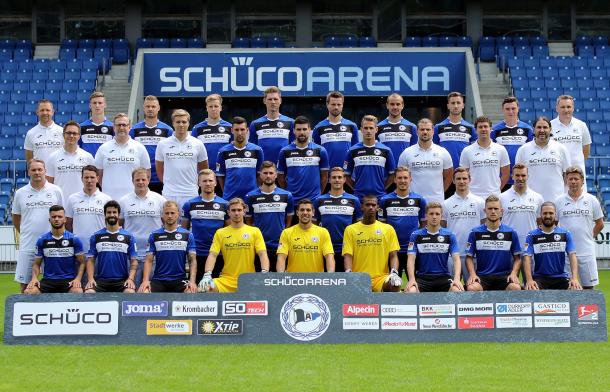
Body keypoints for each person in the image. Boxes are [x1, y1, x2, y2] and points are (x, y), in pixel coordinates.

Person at [12, 159, 64, 292]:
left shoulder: (56, 190)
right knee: (25, 285)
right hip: (28, 245)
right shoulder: (20, 193)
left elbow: (62, 215)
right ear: (28, 171)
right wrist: (26, 232)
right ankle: (24, 311)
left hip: (52, 245)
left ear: (45, 171)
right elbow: (16, 218)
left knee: (54, 284)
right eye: (33, 170)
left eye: (40, 169)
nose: (37, 172)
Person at [198, 198, 269, 293]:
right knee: (204, 288)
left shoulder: (254, 231)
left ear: (244, 212)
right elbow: (212, 255)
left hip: (248, 279)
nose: (236, 213)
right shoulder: (220, 233)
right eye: (233, 210)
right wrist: (207, 274)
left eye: (239, 210)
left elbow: (262, 253)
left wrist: (264, 272)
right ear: (228, 212)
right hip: (226, 280)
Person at [555, 166, 604, 289]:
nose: (573, 181)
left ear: (582, 181)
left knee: (589, 289)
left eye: (576, 179)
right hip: (566, 254)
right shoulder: (558, 201)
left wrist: (588, 235)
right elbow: (554, 225)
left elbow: (600, 224)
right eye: (570, 179)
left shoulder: (592, 200)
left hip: (587, 252)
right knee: (568, 288)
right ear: (566, 181)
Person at [342, 195, 402, 292]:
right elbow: (348, 255)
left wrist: (394, 273)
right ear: (362, 207)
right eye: (368, 205)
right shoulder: (350, 230)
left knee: (394, 285)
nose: (371, 207)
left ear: (377, 207)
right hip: (359, 278)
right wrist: (349, 273)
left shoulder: (388, 229)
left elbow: (393, 255)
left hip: (381, 278)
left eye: (373, 205)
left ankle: (387, 307)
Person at [118, 168, 166, 286]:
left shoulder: (159, 199)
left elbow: (166, 223)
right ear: (132, 181)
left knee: (150, 289)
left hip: (153, 254)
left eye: (143, 179)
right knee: (131, 288)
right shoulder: (124, 201)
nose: (140, 182)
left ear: (148, 180)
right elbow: (120, 225)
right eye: (137, 179)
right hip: (131, 254)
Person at [138, 201, 197, 293]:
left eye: (172, 213)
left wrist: (192, 282)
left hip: (180, 280)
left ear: (178, 214)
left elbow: (192, 260)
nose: (169, 216)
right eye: (167, 213)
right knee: (143, 292)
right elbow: (149, 260)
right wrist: (145, 281)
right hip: (159, 280)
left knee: (191, 292)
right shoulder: (154, 235)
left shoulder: (188, 235)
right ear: (162, 215)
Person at [465, 196, 522, 291]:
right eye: (490, 208)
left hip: (504, 276)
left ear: (501, 211)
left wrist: (513, 273)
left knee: (515, 288)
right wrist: (472, 274)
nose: (493, 211)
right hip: (483, 276)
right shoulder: (475, 232)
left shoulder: (511, 232)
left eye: (496, 209)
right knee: (472, 288)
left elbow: (518, 258)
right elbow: (469, 258)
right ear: (485, 210)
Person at [24, 205, 85, 294]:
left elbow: (82, 262)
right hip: (48, 280)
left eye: (59, 217)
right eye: (53, 217)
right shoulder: (42, 240)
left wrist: (78, 279)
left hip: (68, 280)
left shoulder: (74, 239)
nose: (56, 219)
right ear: (49, 220)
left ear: (65, 219)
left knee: (77, 291)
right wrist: (34, 278)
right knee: (29, 291)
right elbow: (36, 264)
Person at [245, 161, 294, 272]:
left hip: (280, 245)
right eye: (265, 173)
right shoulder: (250, 196)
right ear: (260, 175)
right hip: (259, 245)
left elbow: (289, 220)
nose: (268, 176)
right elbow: (249, 221)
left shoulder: (287, 195)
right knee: (260, 280)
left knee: (279, 280)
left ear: (276, 175)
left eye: (271, 173)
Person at [405, 202, 464, 293]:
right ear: (426, 216)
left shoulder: (450, 235)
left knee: (457, 291)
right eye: (431, 214)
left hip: (443, 277)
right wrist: (412, 279)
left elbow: (456, 259)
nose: (434, 216)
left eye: (437, 214)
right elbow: (411, 259)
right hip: (423, 278)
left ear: (441, 216)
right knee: (410, 291)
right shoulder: (416, 235)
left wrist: (456, 279)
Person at [182, 169, 228, 283]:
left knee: (215, 286)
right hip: (197, 253)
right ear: (199, 183)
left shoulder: (225, 204)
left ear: (215, 182)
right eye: (204, 181)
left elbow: (229, 231)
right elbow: (183, 231)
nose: (208, 183)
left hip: (218, 253)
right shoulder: (189, 204)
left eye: (210, 180)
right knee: (196, 285)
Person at [155, 109, 208, 208]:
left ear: (188, 123)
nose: (181, 125)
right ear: (173, 123)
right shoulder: (163, 144)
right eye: (178, 122)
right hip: (169, 193)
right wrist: (168, 183)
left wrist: (195, 184)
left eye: (184, 122)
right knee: (169, 221)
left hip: (190, 192)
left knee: (188, 223)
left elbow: (204, 170)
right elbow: (159, 169)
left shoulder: (198, 143)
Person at [379, 166, 426, 277]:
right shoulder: (385, 200)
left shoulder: (420, 200)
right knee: (393, 285)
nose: (403, 181)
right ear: (394, 179)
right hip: (392, 250)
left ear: (410, 179)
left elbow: (424, 225)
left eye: (405, 178)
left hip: (413, 249)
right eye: (399, 178)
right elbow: (382, 226)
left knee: (414, 284)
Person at [523, 202, 582, 290]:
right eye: (545, 213)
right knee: (531, 290)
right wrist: (529, 280)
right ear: (540, 215)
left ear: (555, 214)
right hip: (540, 277)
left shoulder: (565, 233)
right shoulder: (531, 235)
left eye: (551, 213)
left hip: (561, 277)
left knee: (576, 289)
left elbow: (572, 255)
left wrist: (574, 278)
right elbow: (526, 258)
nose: (548, 216)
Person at [313, 167, 362, 272]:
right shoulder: (319, 200)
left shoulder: (354, 200)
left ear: (344, 179)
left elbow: (359, 226)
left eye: (340, 177)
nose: (337, 180)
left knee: (346, 284)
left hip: (347, 250)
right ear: (329, 180)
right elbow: (314, 226)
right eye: (334, 177)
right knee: (326, 282)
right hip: (325, 249)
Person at [441, 167, 486, 281]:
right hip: (452, 255)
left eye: (464, 178)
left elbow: (483, 226)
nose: (461, 181)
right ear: (453, 180)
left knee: (473, 289)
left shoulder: (480, 202)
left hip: (473, 255)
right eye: (458, 178)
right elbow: (443, 228)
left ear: (469, 180)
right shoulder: (446, 204)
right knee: (451, 290)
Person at [85, 200, 138, 293]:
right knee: (89, 293)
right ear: (105, 215)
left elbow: (134, 261)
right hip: (101, 280)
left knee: (130, 292)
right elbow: (90, 260)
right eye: (109, 212)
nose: (112, 215)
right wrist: (90, 279)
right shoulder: (96, 236)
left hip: (122, 281)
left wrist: (130, 279)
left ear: (118, 214)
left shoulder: (129, 236)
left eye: (114, 212)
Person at [95, 113, 151, 200]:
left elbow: (147, 174)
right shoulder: (103, 148)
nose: (121, 128)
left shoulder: (139, 147)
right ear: (113, 127)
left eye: (124, 125)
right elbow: (99, 175)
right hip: (109, 198)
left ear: (129, 127)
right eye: (118, 125)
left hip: (133, 198)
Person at [515, 116, 571, 202]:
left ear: (550, 129)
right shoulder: (523, 150)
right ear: (533, 129)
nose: (542, 130)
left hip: (556, 200)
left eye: (545, 127)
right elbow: (518, 176)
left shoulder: (561, 149)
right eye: (539, 127)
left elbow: (567, 175)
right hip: (530, 201)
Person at [398, 118, 453, 203]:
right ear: (417, 132)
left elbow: (449, 176)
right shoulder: (406, 153)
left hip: (437, 201)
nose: (425, 132)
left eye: (428, 129)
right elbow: (400, 177)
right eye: (422, 129)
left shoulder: (443, 152)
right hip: (413, 201)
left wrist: (440, 192)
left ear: (433, 131)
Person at [65, 165, 112, 263]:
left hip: (100, 249)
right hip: (79, 250)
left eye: (92, 177)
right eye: (86, 177)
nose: (89, 180)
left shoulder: (106, 199)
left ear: (97, 178)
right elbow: (68, 223)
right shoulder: (72, 198)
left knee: (98, 278)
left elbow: (110, 225)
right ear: (81, 179)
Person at [277, 115, 329, 202]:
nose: (302, 132)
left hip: (313, 200)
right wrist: (289, 193)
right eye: (298, 129)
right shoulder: (284, 151)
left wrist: (318, 194)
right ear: (293, 131)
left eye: (304, 129)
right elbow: (280, 177)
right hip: (292, 201)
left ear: (309, 130)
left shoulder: (320, 150)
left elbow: (324, 177)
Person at [344, 115, 396, 199]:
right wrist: (356, 189)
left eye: (371, 128)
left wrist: (382, 188)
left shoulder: (386, 150)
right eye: (366, 128)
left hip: (380, 197)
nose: (368, 131)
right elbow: (346, 175)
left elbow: (393, 174)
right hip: (359, 197)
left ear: (376, 129)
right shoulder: (352, 150)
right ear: (361, 130)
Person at [276, 199, 335, 273]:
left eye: (308, 210)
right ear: (297, 213)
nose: (305, 212)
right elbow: (281, 257)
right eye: (302, 210)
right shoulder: (287, 232)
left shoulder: (323, 232)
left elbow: (329, 256)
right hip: (293, 280)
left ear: (313, 213)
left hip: (316, 280)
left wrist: (331, 275)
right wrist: (280, 276)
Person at [129, 95, 173, 193]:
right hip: (140, 178)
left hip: (161, 178)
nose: (150, 109)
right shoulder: (134, 130)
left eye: (153, 106)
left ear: (158, 108)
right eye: (148, 106)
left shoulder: (167, 130)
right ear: (143, 108)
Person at [459, 116, 510, 199]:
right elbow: (463, 175)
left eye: (486, 126)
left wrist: (496, 189)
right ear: (476, 130)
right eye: (480, 127)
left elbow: (506, 174)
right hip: (473, 196)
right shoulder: (467, 151)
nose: (483, 129)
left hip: (494, 196)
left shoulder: (500, 149)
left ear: (490, 129)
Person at [490, 96, 534, 191]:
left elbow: (532, 152)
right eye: (507, 109)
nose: (510, 111)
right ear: (503, 110)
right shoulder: (494, 130)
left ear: (518, 109)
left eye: (513, 108)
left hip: (521, 178)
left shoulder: (528, 129)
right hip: (501, 178)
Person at [216, 116, 264, 201]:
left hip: (251, 197)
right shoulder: (223, 151)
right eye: (236, 130)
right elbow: (220, 176)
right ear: (232, 130)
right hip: (230, 198)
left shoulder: (257, 150)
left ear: (247, 130)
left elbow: (259, 175)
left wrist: (256, 192)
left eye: (242, 129)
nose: (239, 133)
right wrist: (227, 192)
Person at [499, 163, 544, 253]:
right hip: (509, 246)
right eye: (517, 175)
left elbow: (540, 223)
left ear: (528, 176)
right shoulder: (501, 197)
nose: (520, 178)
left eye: (523, 175)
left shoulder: (538, 197)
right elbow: (498, 222)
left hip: (531, 246)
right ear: (512, 177)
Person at [312, 91, 359, 172]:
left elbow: (356, 152)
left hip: (346, 174)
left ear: (342, 105)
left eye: (339, 104)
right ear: (327, 105)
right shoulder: (319, 127)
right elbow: (315, 154)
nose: (336, 107)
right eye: (333, 104)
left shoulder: (352, 126)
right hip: (326, 174)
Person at [46, 121, 95, 198]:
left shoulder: (88, 157)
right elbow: (49, 183)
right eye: (68, 133)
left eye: (75, 133)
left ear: (79, 136)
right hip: (60, 203)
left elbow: (93, 182)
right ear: (63, 135)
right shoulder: (53, 157)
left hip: (81, 202)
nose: (71, 136)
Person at [249, 86, 295, 164]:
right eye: (270, 99)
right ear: (264, 101)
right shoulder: (255, 124)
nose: (273, 102)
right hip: (264, 170)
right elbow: (252, 149)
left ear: (280, 100)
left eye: (275, 99)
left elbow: (293, 147)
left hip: (284, 168)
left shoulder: (290, 122)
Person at [550, 95, 592, 179]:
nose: (566, 110)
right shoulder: (550, 126)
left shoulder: (581, 125)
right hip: (558, 173)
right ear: (557, 108)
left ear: (573, 108)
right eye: (562, 107)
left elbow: (586, 150)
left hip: (578, 173)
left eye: (568, 107)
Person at [433, 92, 476, 173]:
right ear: (448, 106)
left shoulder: (471, 128)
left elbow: (475, 152)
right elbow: (432, 150)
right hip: (443, 172)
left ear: (463, 105)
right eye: (453, 103)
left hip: (463, 174)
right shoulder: (438, 127)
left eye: (458, 103)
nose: (456, 106)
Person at [191, 94, 232, 174]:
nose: (213, 109)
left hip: (224, 173)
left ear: (221, 107)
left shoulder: (229, 127)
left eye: (216, 106)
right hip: (204, 174)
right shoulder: (197, 128)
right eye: (210, 106)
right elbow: (193, 152)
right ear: (206, 108)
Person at [377, 93, 418, 167]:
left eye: (398, 104)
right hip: (385, 170)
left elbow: (415, 151)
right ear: (387, 105)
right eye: (392, 104)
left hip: (404, 171)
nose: (395, 107)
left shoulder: (411, 127)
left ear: (402, 105)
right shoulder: (378, 127)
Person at [24, 99, 63, 164]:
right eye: (42, 110)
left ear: (52, 112)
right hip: (40, 173)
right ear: (37, 112)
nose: (45, 113)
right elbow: (29, 159)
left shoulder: (62, 131)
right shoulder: (31, 133)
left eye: (47, 110)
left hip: (57, 172)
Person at [79, 91, 114, 157]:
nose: (97, 105)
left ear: (105, 105)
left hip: (105, 165)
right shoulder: (81, 127)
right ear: (90, 105)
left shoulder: (112, 127)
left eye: (100, 103)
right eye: (94, 103)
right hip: (87, 165)